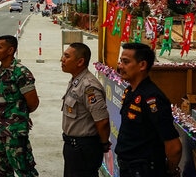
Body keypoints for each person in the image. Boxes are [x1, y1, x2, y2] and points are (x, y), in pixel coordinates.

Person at [115, 42, 182, 177]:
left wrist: (170, 170)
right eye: (120, 61)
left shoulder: (153, 98)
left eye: (126, 62)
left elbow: (174, 146)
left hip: (144, 170)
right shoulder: (130, 91)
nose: (120, 66)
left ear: (142, 65)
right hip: (127, 168)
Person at [0, 35, 40, 176]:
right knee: (0, 168)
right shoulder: (0, 71)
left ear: (10, 50)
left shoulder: (21, 73)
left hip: (15, 132)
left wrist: (20, 117)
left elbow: (33, 103)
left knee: (24, 169)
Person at [61, 42, 110, 177]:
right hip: (72, 146)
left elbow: (102, 121)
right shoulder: (76, 80)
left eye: (66, 56)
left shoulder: (89, 87)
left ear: (80, 61)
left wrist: (104, 143)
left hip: (83, 149)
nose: (62, 59)